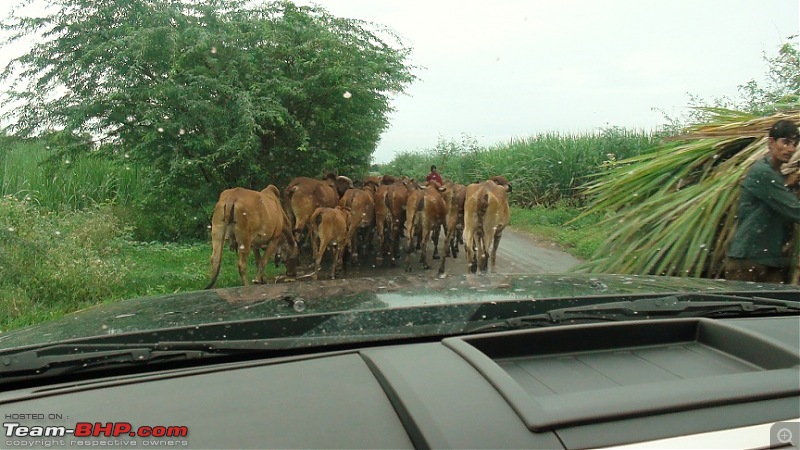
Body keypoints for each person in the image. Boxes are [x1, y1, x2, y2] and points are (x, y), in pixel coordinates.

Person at [725, 119, 800, 284]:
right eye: (786, 142)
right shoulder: (762, 172)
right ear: (771, 142)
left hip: (767, 260)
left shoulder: (776, 175)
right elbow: (795, 210)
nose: (791, 149)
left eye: (794, 144)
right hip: (747, 261)